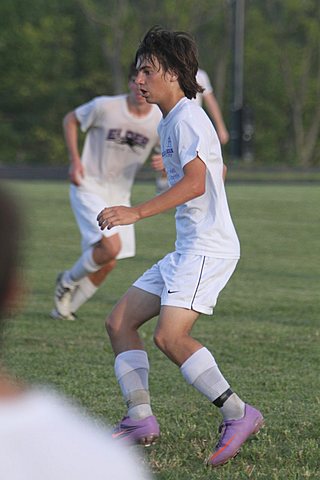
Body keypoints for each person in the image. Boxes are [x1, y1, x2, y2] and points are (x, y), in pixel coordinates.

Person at [97, 26, 263, 468]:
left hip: (207, 249)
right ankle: (140, 419)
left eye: (147, 71)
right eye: (137, 73)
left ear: (172, 73)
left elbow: (195, 182)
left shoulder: (187, 117)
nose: (138, 81)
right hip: (188, 247)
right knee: (119, 323)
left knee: (170, 337)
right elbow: (215, 171)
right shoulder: (176, 118)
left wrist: (135, 212)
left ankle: (238, 412)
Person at [0, 185, 152, 480]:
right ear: (15, 294)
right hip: (96, 189)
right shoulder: (97, 462)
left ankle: (66, 301)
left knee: (109, 259)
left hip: (116, 193)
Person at [52, 63, 162, 321]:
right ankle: (66, 282)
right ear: (129, 83)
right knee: (111, 247)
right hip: (89, 185)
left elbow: (167, 161)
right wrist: (75, 160)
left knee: (108, 261)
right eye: (135, 80)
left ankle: (65, 310)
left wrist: (166, 164)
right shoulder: (105, 106)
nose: (139, 85)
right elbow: (71, 119)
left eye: (144, 80)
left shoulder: (159, 120)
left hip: (120, 196)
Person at [155, 67, 229, 193]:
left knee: (214, 168)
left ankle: (211, 194)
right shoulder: (165, 73)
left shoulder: (200, 75)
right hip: (171, 124)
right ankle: (166, 183)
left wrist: (221, 126)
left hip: (192, 127)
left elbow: (210, 101)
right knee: (171, 164)